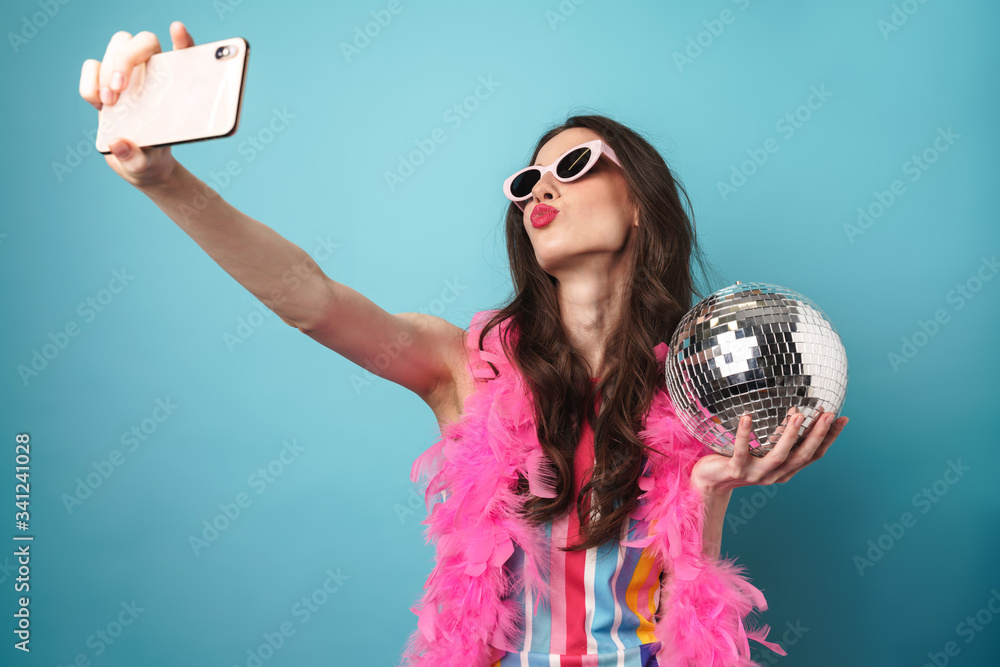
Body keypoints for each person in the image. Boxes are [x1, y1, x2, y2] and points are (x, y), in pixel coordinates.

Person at [80, 22, 849, 667]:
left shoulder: (694, 385)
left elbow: (691, 619)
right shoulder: (466, 367)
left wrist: (713, 490)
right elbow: (310, 302)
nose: (541, 190)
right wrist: (166, 181)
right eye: (527, 181)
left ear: (641, 204)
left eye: (574, 167)